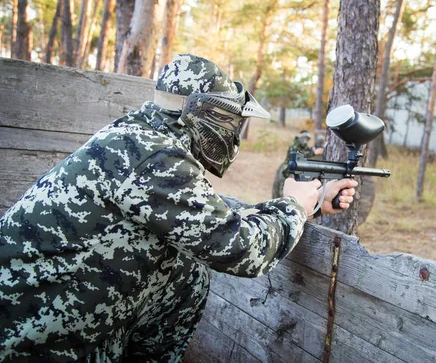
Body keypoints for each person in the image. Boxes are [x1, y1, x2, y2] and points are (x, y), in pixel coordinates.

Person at [0, 54, 357, 362]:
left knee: (186, 272)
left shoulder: (141, 137)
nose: (234, 134)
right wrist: (293, 205)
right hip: (21, 336)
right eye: (232, 121)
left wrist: (311, 205)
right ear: (207, 115)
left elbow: (211, 224)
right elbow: (241, 249)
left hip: (47, 308)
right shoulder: (154, 156)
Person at [271, 130, 324, 198]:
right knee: (284, 190)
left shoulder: (304, 146)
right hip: (288, 170)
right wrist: (313, 153)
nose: (305, 140)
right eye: (304, 138)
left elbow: (307, 150)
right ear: (300, 137)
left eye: (307, 139)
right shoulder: (294, 145)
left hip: (297, 171)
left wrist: (314, 150)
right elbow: (298, 156)